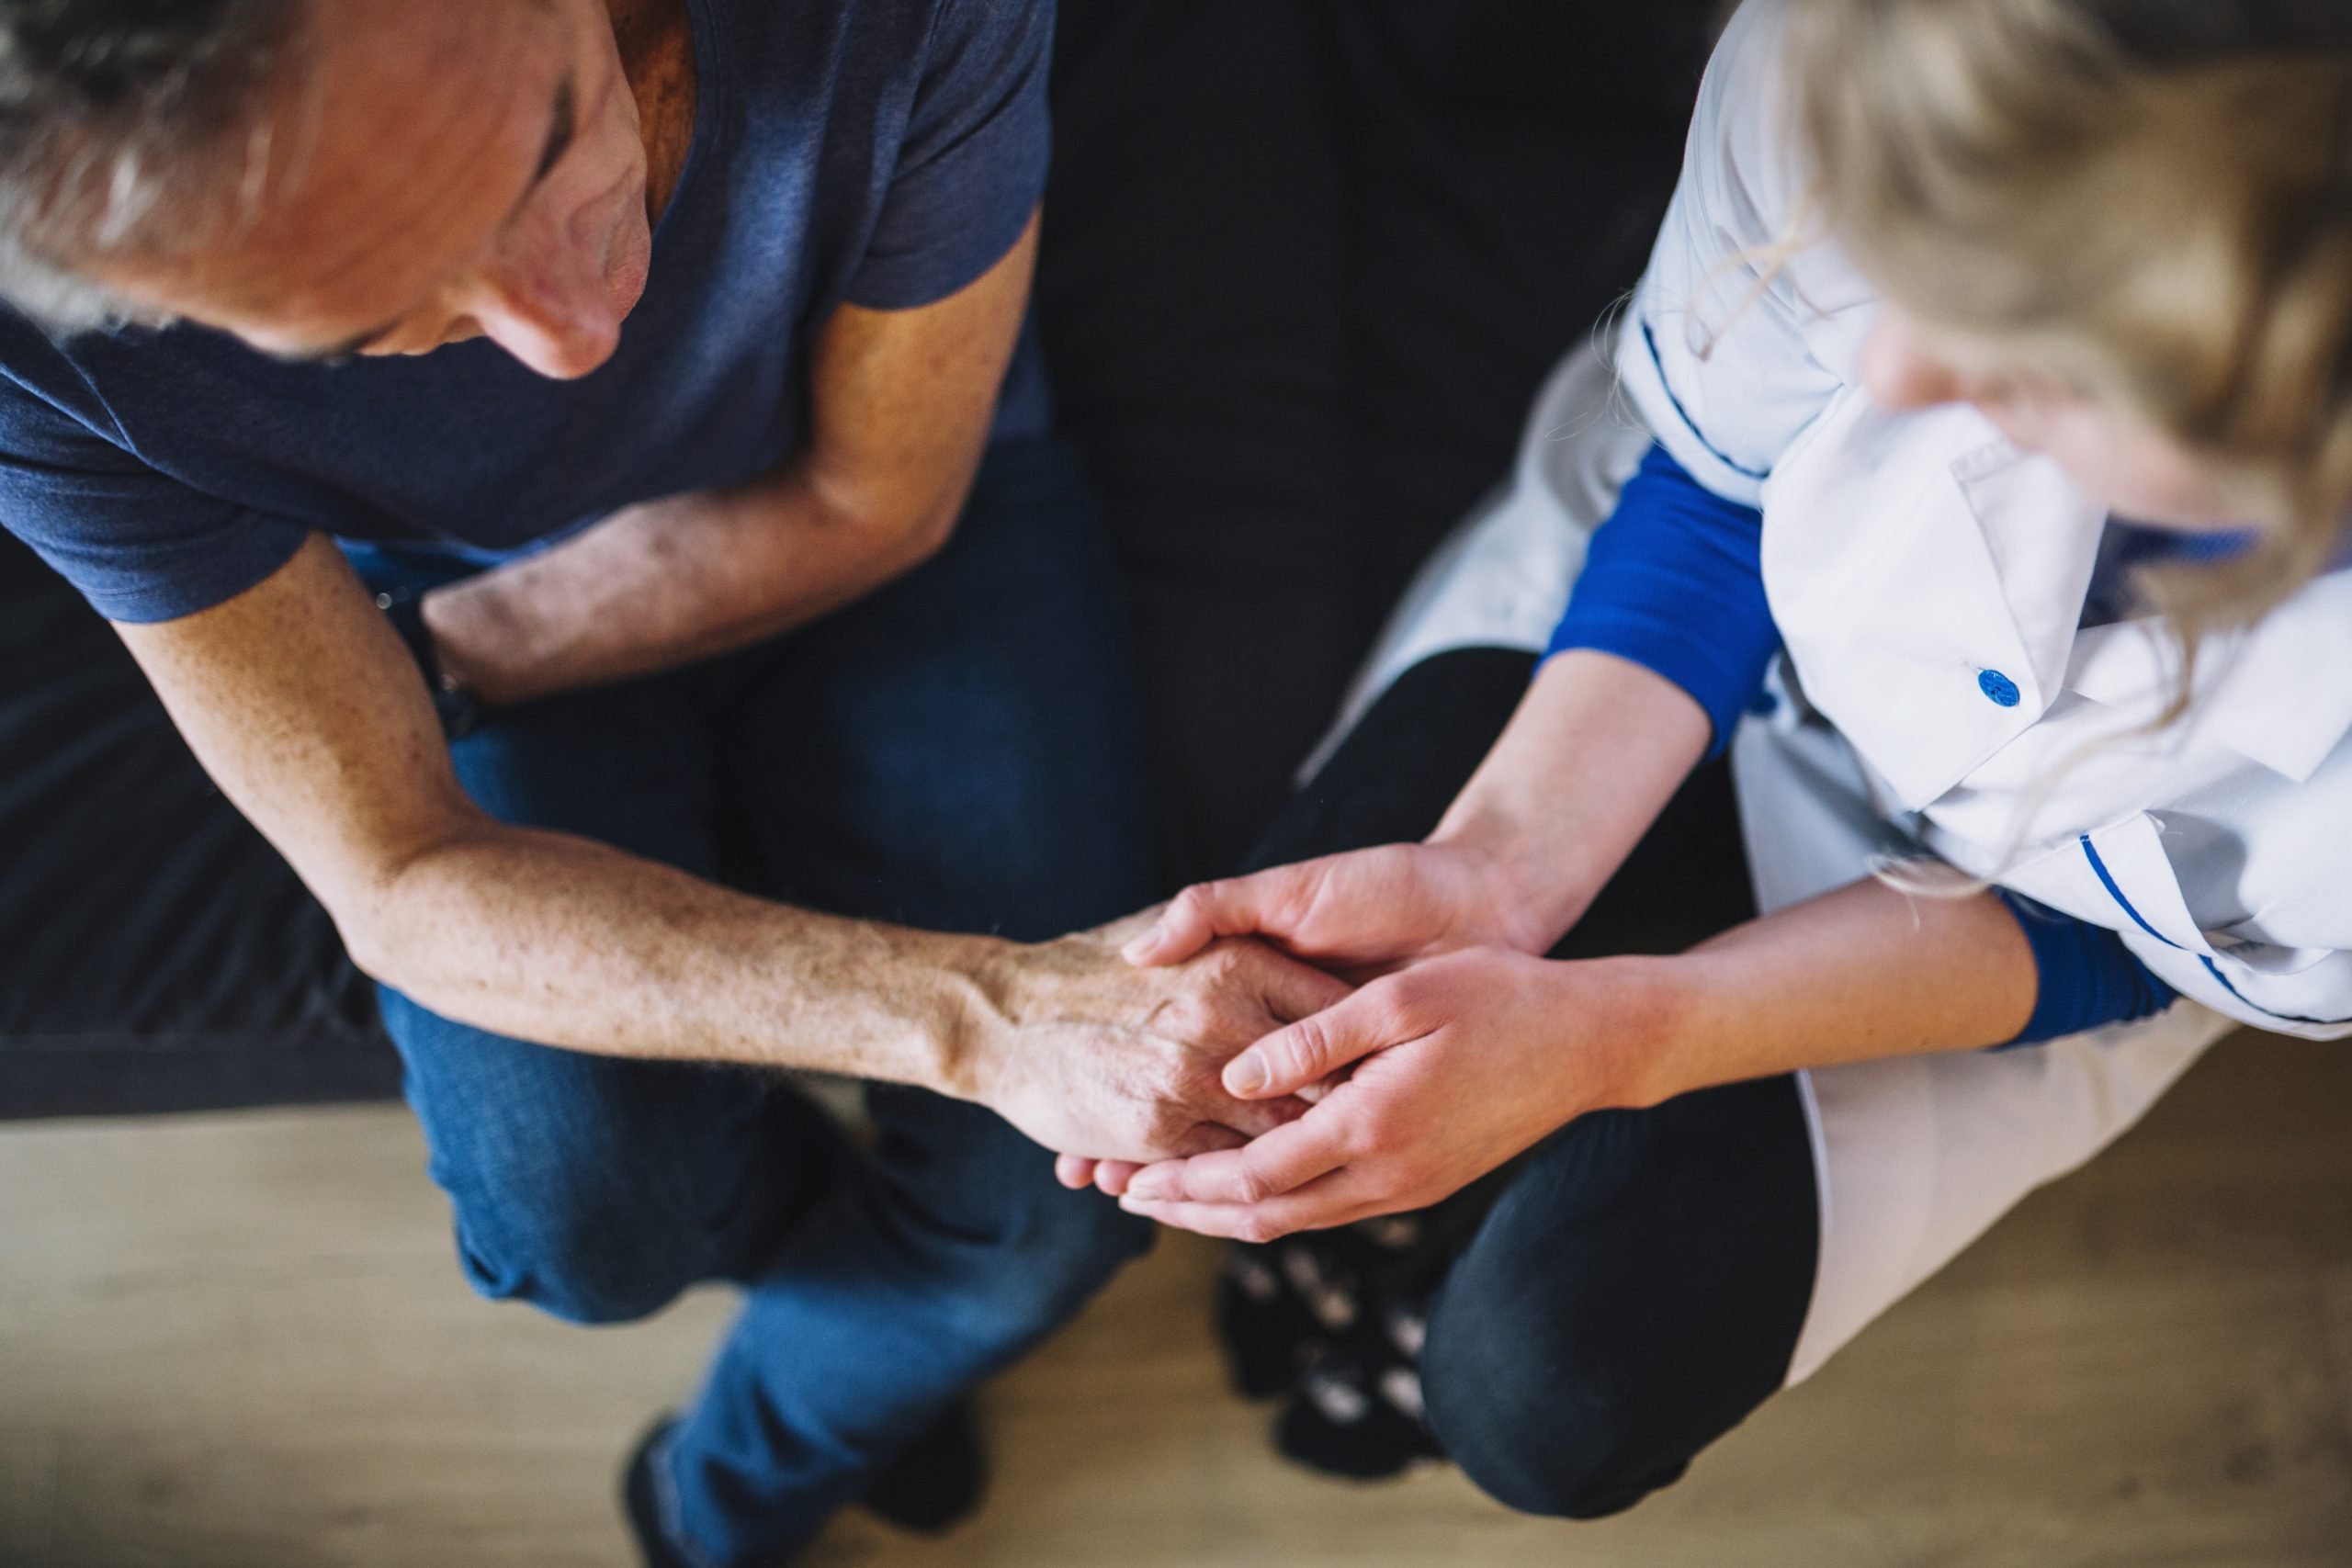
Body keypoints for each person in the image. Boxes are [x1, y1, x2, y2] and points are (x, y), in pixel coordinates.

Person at [0, 3, 1350, 1563]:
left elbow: (874, 502)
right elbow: (393, 874)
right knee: (585, 1230)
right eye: (366, 322)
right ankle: (855, 1325)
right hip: (440, 594)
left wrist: (420, 676)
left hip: (897, 512)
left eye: (540, 149)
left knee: (1039, 1223)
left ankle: (735, 1486)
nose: (570, 335)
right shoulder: (40, 364)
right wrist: (981, 1018)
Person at [1057, 0, 2352, 1516]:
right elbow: (1723, 487)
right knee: (1316, 987)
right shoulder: (1866, 43)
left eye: (2035, 337)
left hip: (2044, 910)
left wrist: (1622, 1034)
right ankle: (1362, 1248)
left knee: (1548, 1392)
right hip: (1677, 637)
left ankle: (1422, 1342)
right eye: (1906, 250)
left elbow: (2145, 943)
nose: (1905, 373)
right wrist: (1504, 865)